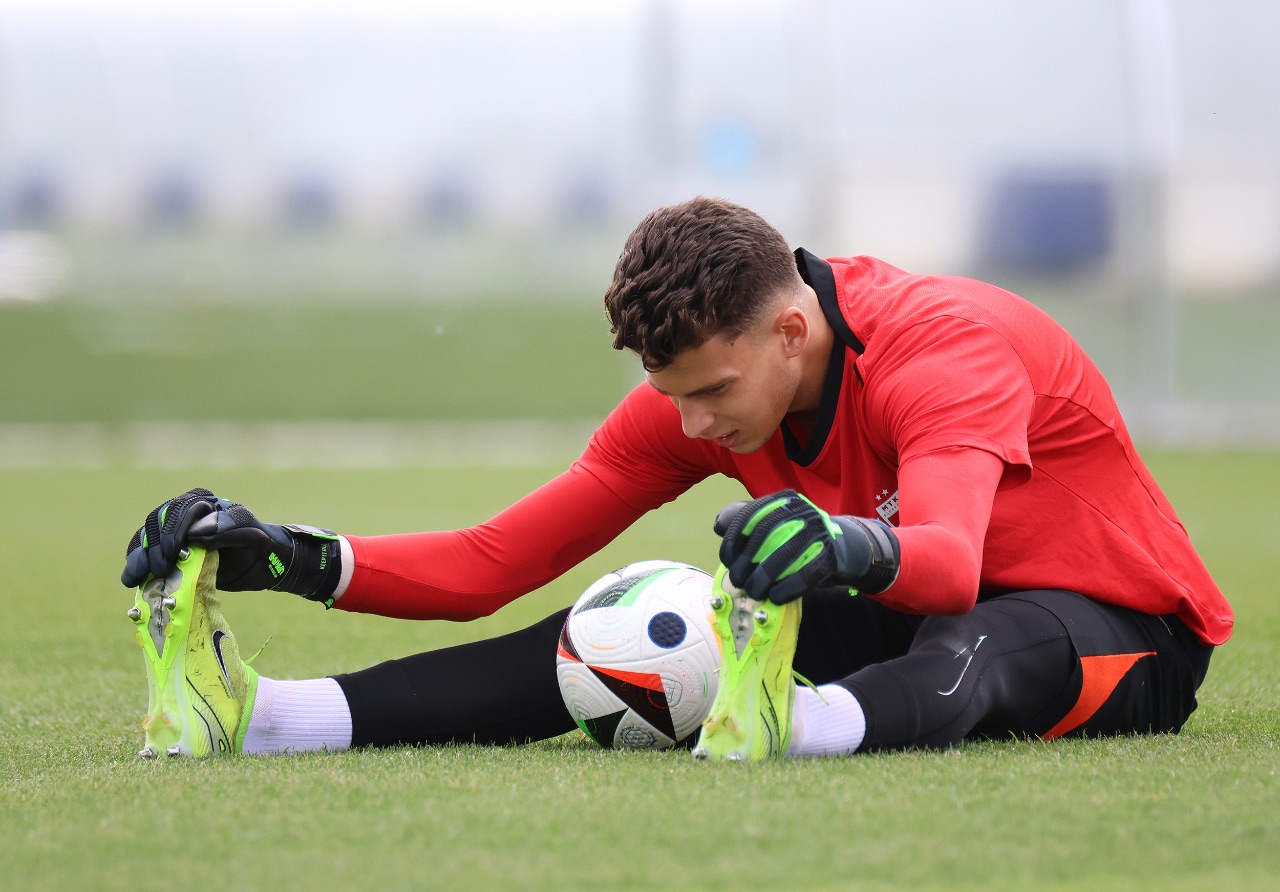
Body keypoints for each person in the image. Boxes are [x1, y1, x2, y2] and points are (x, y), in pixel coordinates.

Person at [121, 196, 1232, 761]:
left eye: (711, 392)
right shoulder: (697, 393)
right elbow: (490, 562)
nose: (693, 424)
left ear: (790, 331)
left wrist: (839, 545)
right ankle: (268, 718)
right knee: (604, 631)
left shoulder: (942, 350)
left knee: (975, 642)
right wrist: (295, 558)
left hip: (1122, 631)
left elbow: (947, 567)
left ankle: (795, 729)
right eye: (672, 395)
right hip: (916, 604)